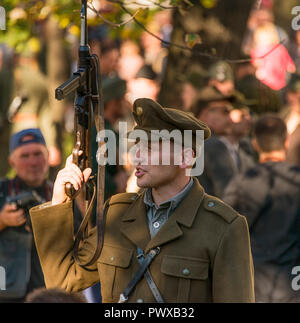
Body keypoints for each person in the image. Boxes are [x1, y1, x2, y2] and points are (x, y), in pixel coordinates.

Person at [29, 98, 254, 303]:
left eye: (149, 147)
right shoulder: (116, 214)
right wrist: (59, 202)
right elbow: (64, 282)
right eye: (137, 146)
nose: (137, 156)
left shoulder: (223, 227)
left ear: (186, 157)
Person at [223, 115, 300, 302]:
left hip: (254, 283)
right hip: (293, 282)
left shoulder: (242, 182)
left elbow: (224, 230)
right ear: (286, 141)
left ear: (255, 143)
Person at [0, 128, 52, 302]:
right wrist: (2, 220)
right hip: (6, 292)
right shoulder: (2, 192)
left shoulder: (60, 192)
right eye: (24, 156)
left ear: (48, 156)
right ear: (12, 162)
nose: (33, 162)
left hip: (48, 292)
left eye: (38, 153)